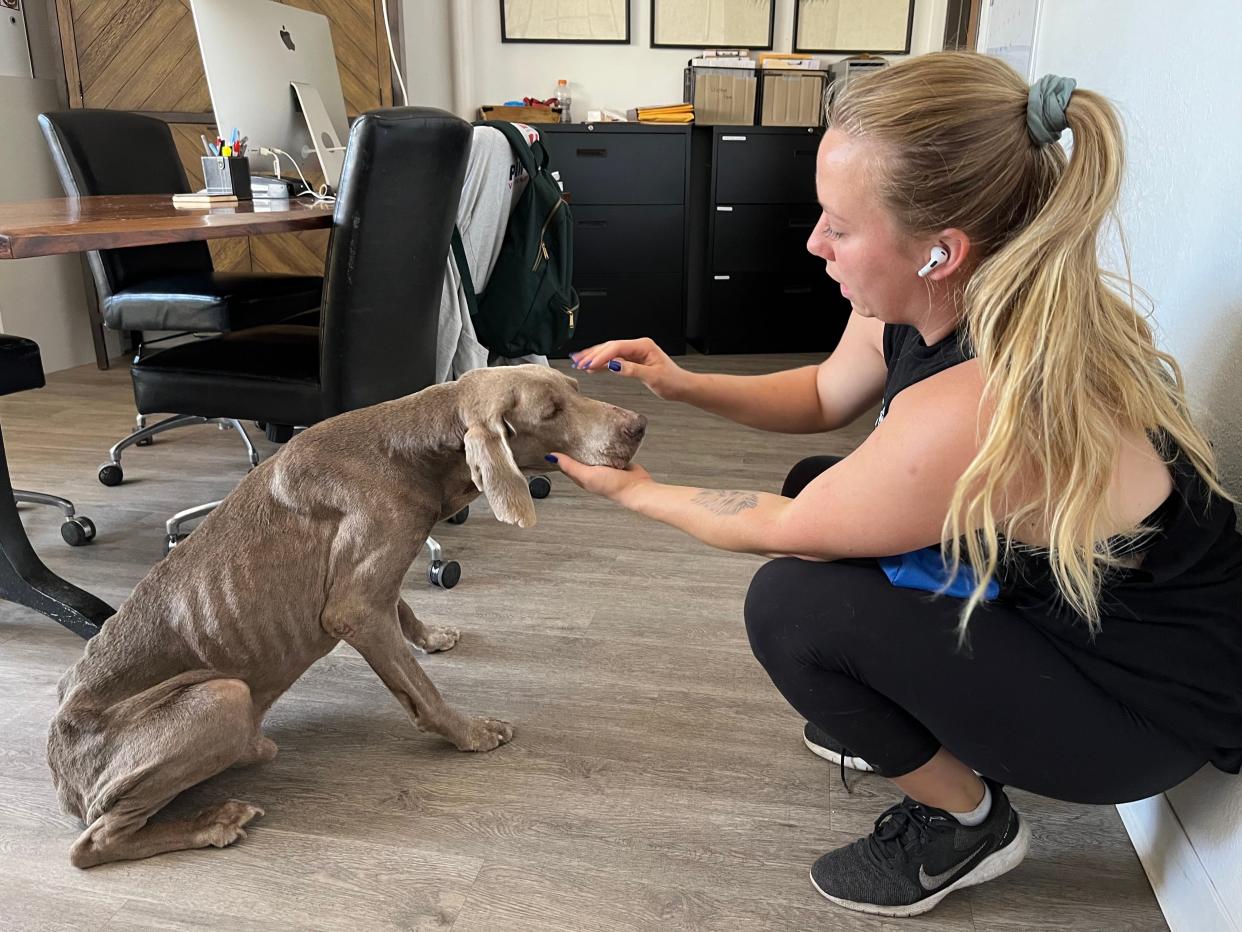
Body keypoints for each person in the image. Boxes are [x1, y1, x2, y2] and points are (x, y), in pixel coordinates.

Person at [545, 51, 1242, 918]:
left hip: (1135, 713)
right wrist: (680, 380)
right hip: (1058, 608)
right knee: (818, 481)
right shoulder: (948, 292)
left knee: (793, 606)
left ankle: (968, 821)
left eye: (838, 223)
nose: (814, 242)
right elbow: (823, 395)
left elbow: (782, 529)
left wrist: (633, 491)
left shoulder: (985, 396)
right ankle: (903, 711)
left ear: (941, 250)